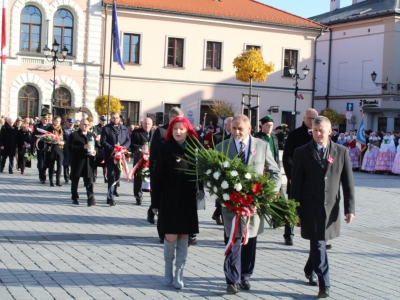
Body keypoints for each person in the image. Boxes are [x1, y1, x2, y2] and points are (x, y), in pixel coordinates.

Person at [290, 116, 355, 298]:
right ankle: (324, 284)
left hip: (331, 206)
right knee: (319, 243)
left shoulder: (341, 152)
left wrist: (350, 209)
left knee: (318, 243)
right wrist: (295, 211)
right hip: (310, 207)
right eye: (314, 130)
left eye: (321, 130)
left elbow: (348, 182)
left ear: (330, 131)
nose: (318, 134)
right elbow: (296, 185)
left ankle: (309, 267)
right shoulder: (302, 152)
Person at [216, 115, 282, 294]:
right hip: (231, 205)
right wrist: (221, 194)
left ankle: (245, 275)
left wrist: (269, 193)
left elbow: (275, 172)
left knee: (250, 240)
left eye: (240, 129)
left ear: (249, 129)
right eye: (233, 128)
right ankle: (232, 279)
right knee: (233, 240)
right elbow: (212, 175)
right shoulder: (222, 147)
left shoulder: (261, 146)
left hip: (254, 205)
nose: (236, 132)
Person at [151, 117, 203, 289]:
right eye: (175, 129)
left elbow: (201, 171)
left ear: (188, 130)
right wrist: (155, 202)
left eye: (181, 129)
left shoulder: (195, 148)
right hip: (169, 198)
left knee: (184, 235)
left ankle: (179, 272)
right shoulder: (164, 148)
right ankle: (168, 268)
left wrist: (201, 189)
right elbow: (157, 176)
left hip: (187, 198)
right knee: (171, 234)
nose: (178, 132)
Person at [282, 108, 318, 246]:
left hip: (313, 180)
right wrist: (292, 176)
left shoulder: (319, 134)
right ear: (304, 118)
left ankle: (319, 236)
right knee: (292, 206)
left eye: (314, 118)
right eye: (309, 118)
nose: (311, 121)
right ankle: (288, 234)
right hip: (297, 179)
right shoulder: (295, 134)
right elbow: (287, 157)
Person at [148, 107, 184, 240]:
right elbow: (153, 155)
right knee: (162, 205)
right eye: (176, 119)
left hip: (177, 176)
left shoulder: (184, 132)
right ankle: (162, 233)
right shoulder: (161, 131)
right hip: (161, 173)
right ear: (171, 118)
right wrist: (153, 174)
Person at [100, 112, 130, 206]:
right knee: (111, 175)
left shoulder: (124, 128)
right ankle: (110, 196)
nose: (115, 119)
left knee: (117, 174)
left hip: (120, 155)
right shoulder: (106, 128)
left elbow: (128, 140)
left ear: (119, 118)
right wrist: (113, 148)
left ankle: (114, 191)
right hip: (110, 155)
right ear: (110, 118)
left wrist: (123, 147)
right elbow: (103, 141)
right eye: (113, 118)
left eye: (116, 118)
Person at [68, 118, 97, 206]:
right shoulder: (74, 135)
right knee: (75, 180)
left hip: (89, 161)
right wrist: (82, 147)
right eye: (84, 124)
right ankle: (75, 197)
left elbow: (96, 147)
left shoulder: (91, 135)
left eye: (87, 124)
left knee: (89, 181)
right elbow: (70, 147)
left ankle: (90, 198)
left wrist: (95, 152)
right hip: (78, 161)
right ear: (80, 125)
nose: (86, 126)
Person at [212, 117, 233, 226]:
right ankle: (219, 214)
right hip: (221, 170)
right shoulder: (218, 137)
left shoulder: (236, 137)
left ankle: (217, 214)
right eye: (231, 123)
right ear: (226, 125)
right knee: (222, 194)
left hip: (233, 171)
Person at [131, 117, 154, 205]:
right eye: (145, 123)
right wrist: (140, 148)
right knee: (138, 179)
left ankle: (153, 196)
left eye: (149, 124)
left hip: (151, 159)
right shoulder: (136, 132)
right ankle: (138, 197)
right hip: (139, 159)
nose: (147, 125)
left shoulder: (155, 133)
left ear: (152, 125)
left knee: (151, 178)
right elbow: (132, 145)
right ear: (142, 124)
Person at [32, 112, 51, 183]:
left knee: (46, 163)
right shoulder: (37, 126)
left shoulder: (49, 126)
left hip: (47, 147)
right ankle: (42, 177)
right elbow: (33, 137)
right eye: (44, 119)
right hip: (39, 147)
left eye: (46, 119)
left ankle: (43, 172)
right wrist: (33, 148)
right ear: (41, 119)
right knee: (40, 163)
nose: (45, 120)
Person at [46, 116, 65, 187]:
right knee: (51, 166)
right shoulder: (49, 129)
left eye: (59, 121)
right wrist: (50, 141)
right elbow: (46, 138)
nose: (57, 123)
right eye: (56, 121)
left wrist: (63, 142)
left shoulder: (61, 129)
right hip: (52, 149)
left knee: (59, 165)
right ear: (53, 121)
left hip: (59, 149)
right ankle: (51, 181)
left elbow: (65, 139)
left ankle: (58, 180)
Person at [93, 116, 108, 183]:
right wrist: (97, 139)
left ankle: (105, 177)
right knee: (95, 164)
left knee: (105, 164)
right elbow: (94, 134)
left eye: (104, 121)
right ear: (100, 121)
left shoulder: (108, 127)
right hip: (98, 148)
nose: (103, 122)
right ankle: (94, 177)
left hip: (104, 148)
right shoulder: (96, 127)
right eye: (102, 121)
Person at [63, 119, 75, 184]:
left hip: (73, 150)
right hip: (66, 149)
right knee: (66, 164)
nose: (71, 125)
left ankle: (71, 176)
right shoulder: (64, 131)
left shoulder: (75, 131)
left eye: (72, 124)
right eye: (69, 124)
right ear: (67, 124)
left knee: (72, 164)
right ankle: (66, 177)